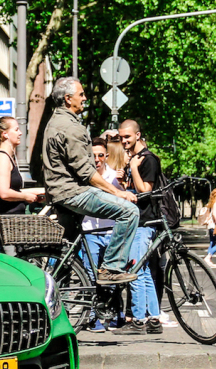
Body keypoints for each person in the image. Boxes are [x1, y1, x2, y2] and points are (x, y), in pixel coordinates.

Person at [41, 77, 139, 285]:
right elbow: (86, 172)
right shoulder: (71, 128)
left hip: (60, 194)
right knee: (129, 212)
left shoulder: (54, 122)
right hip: (73, 193)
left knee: (67, 252)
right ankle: (112, 268)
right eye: (81, 94)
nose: (85, 98)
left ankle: (61, 294)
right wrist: (118, 192)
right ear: (68, 99)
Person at [117, 118, 163, 334]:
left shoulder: (148, 160)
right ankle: (153, 318)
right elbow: (133, 191)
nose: (123, 140)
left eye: (127, 136)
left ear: (137, 135)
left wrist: (133, 168)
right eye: (121, 137)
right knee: (142, 270)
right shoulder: (135, 159)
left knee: (134, 270)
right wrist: (122, 182)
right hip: (138, 220)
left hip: (144, 222)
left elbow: (145, 190)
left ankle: (137, 320)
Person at [81, 139, 123, 331]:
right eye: (93, 155)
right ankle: (91, 318)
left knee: (112, 275)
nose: (97, 159)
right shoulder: (84, 175)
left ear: (106, 156)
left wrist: (121, 185)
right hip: (90, 230)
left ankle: (113, 314)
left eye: (100, 155)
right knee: (90, 275)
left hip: (110, 231)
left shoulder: (115, 176)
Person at [0, 115, 41, 221]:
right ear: (5, 134)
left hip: (12, 221)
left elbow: (15, 191)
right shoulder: (2, 158)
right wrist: (26, 197)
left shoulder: (6, 157)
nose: (20, 133)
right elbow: (4, 193)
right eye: (16, 130)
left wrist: (42, 192)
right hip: (6, 222)